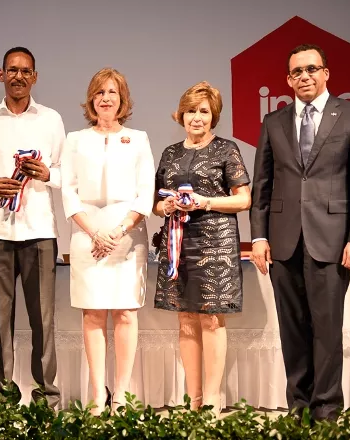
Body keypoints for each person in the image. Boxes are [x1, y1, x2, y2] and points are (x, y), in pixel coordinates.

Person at [250, 44, 350, 422]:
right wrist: (259, 236)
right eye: (296, 72)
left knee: (326, 329)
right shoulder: (274, 122)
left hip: (333, 240)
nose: (303, 76)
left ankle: (326, 410)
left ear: (326, 73)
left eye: (311, 69)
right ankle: (299, 408)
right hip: (283, 241)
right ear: (287, 80)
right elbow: (263, 184)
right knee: (292, 330)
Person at [153, 81, 251, 417]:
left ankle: (212, 398)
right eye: (191, 111)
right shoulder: (170, 153)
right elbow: (155, 202)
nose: (197, 118)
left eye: (204, 112)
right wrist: (163, 209)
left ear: (214, 116)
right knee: (184, 319)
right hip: (179, 242)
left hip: (215, 243)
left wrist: (205, 201)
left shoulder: (227, 149)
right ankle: (193, 399)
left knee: (210, 319)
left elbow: (244, 199)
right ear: (181, 114)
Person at [0, 47, 64, 408]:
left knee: (43, 320)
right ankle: (5, 393)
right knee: (0, 320)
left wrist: (47, 174)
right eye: (12, 70)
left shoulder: (52, 120)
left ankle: (46, 396)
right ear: (1, 75)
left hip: (39, 230)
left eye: (26, 71)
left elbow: (65, 172)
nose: (19, 77)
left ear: (35, 77)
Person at [62, 68, 155, 415]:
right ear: (91, 99)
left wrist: (118, 230)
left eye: (113, 92)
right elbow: (69, 192)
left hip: (126, 235)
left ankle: (121, 394)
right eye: (100, 92)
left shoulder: (139, 138)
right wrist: (94, 232)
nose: (106, 98)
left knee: (126, 313)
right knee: (93, 314)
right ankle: (97, 396)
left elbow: (145, 192)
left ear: (123, 99)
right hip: (87, 234)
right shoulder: (75, 139)